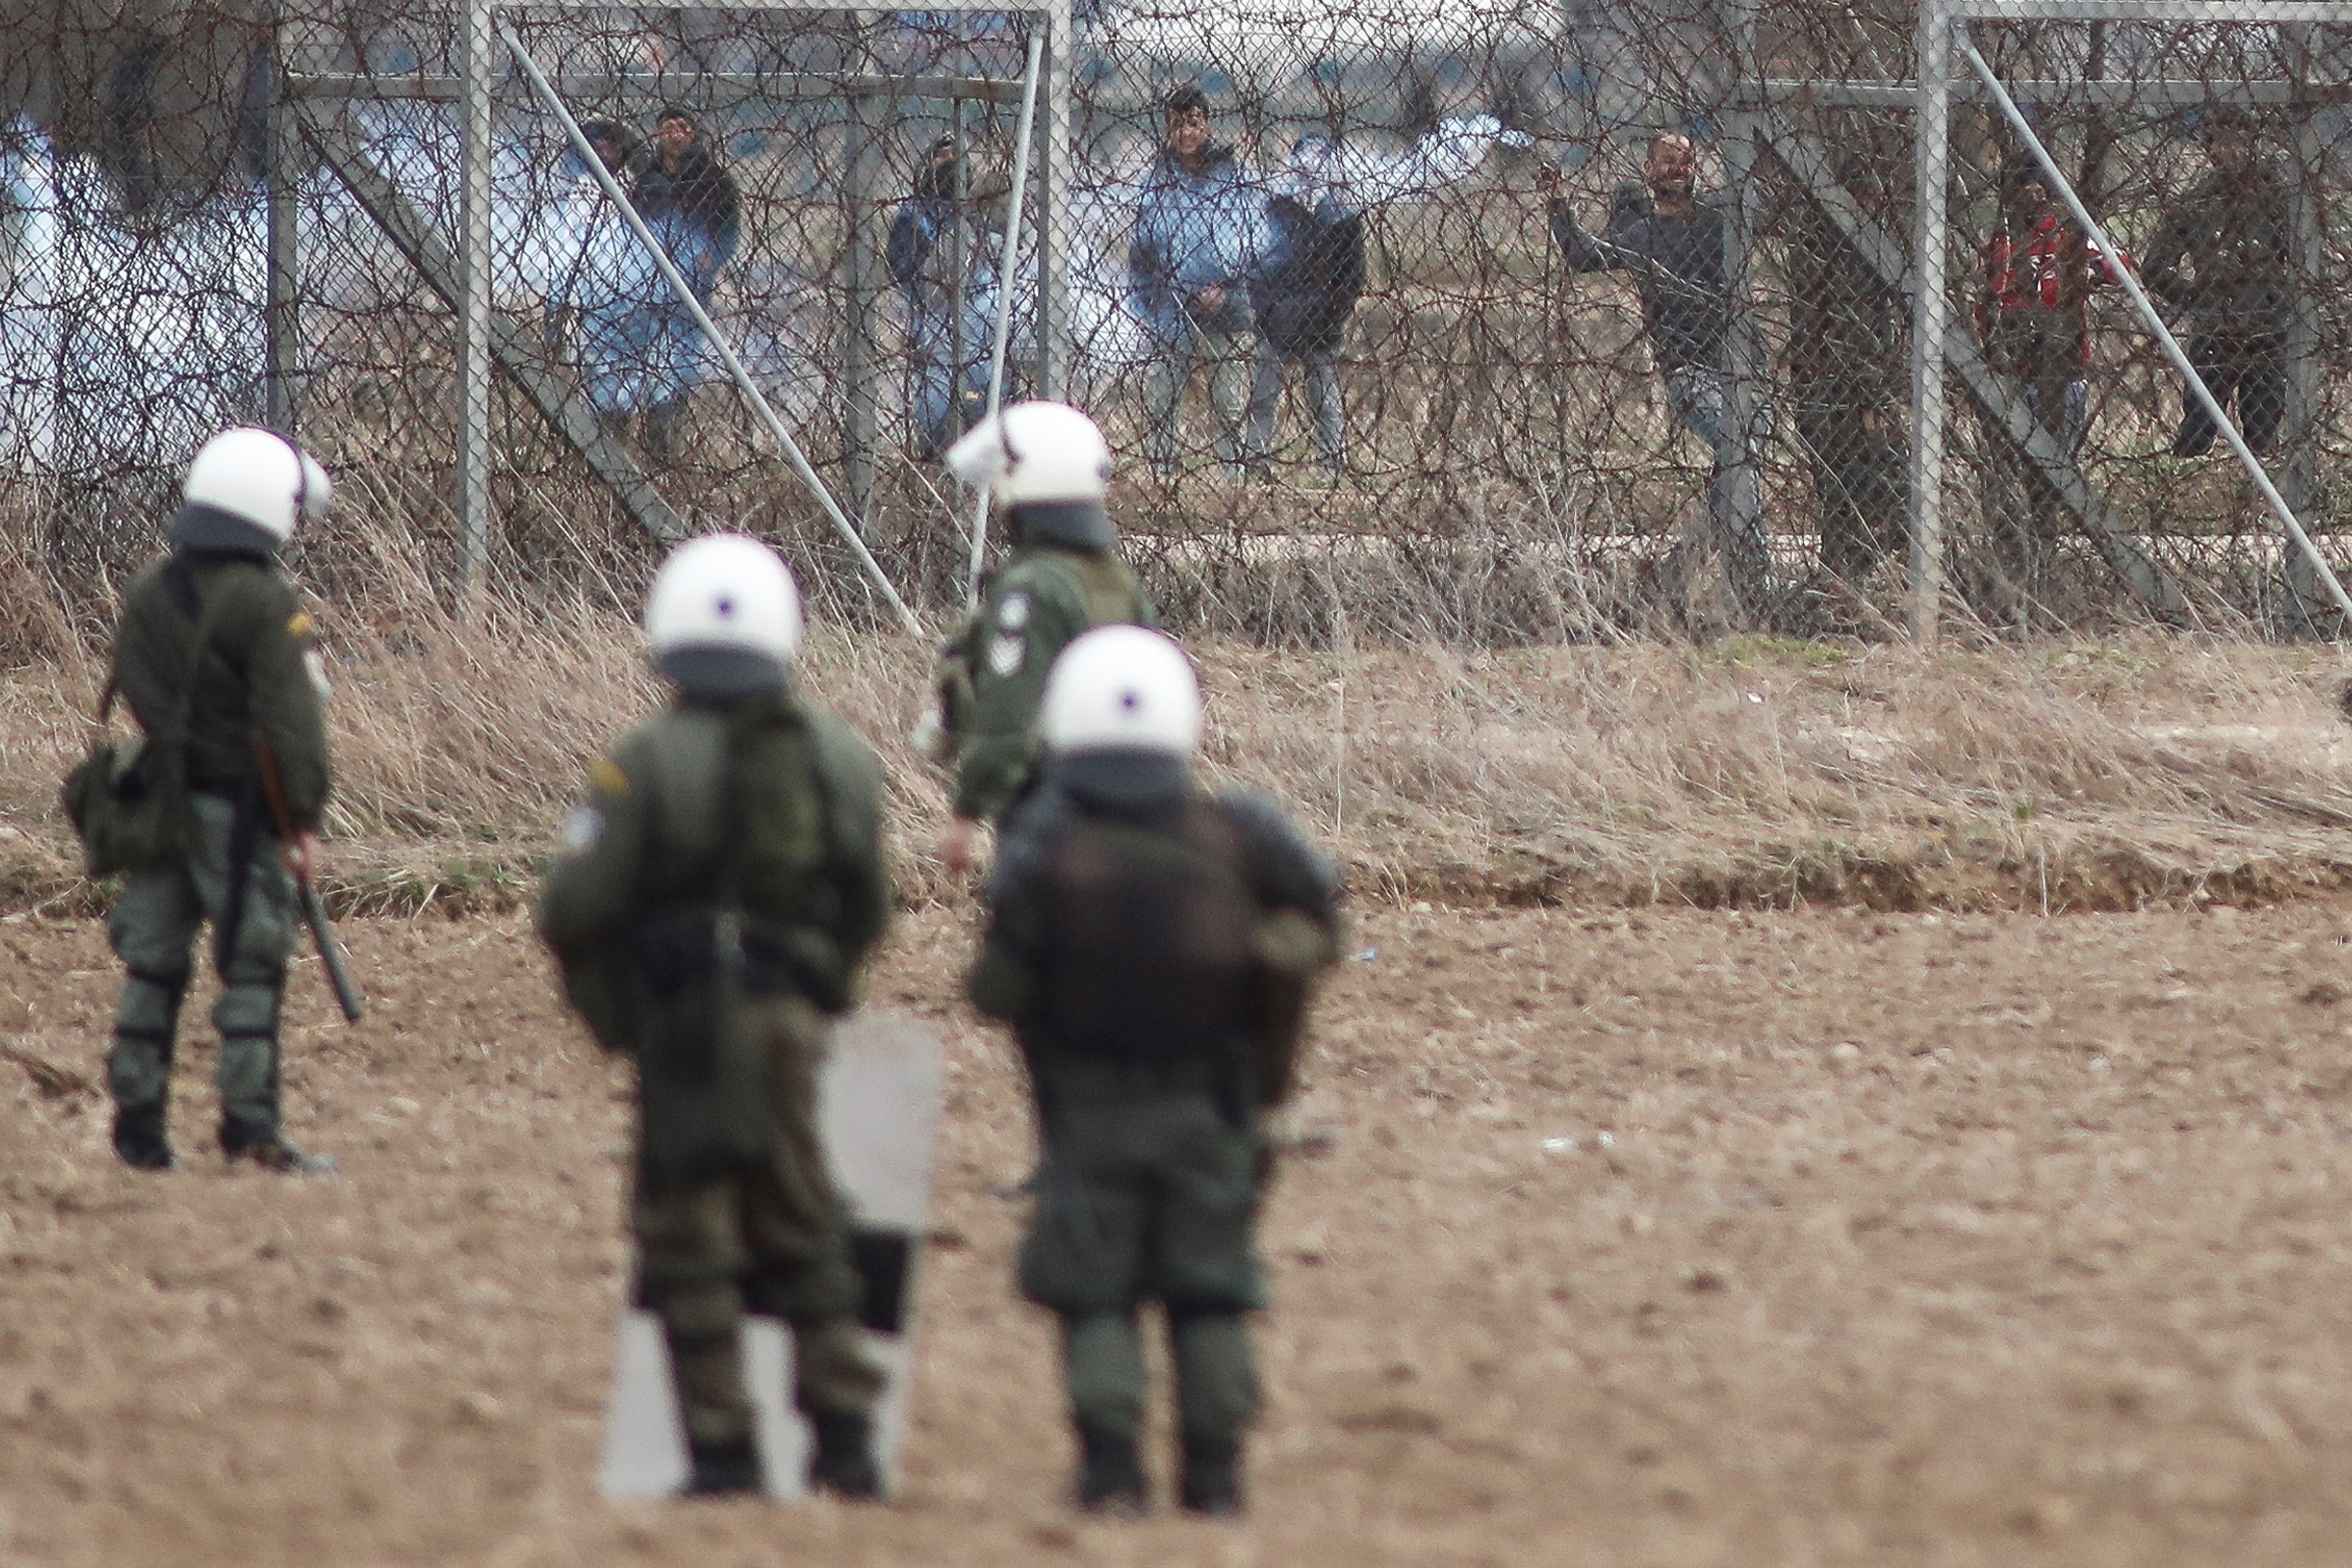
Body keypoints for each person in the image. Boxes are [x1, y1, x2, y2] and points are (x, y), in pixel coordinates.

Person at [538, 534, 891, 1499]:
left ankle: (725, 1451)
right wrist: (820, 991)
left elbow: (574, 909)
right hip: (789, 1017)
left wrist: (621, 1019)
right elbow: (868, 898)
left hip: (689, 1023)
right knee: (805, 1212)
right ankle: (848, 1437)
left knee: (688, 1228)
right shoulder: (838, 755)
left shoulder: (644, 761)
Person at [968, 624, 1342, 1516]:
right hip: (1212, 1107)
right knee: (1209, 1291)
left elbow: (994, 989)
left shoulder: (1046, 850)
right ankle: (1214, 1479)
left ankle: (1110, 1475)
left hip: (1088, 1110)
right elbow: (1320, 920)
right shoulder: (1239, 833)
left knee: (1095, 1293)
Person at [99, 426, 336, 1175]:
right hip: (239, 812)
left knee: (154, 961)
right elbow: (292, 723)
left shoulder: (149, 588)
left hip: (163, 800)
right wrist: (302, 816)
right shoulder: (266, 601)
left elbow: (132, 685)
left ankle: (138, 1124)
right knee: (254, 963)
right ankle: (249, 1122)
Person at [923, 400, 1157, 874]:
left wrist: (967, 811)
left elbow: (1009, 712)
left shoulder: (1031, 590)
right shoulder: (1114, 581)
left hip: (1050, 805)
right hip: (1127, 795)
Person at [1543, 133, 1770, 617]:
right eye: (1667, 161)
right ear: (1649, 169)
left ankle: (1673, 576)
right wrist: (1558, 205)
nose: (1677, 169)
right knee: (1740, 453)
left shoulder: (1718, 221)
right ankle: (1759, 579)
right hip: (1689, 369)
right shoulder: (1641, 234)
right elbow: (1584, 256)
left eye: (1685, 160)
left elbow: (1764, 206)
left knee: (1736, 469)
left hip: (1745, 365)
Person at [1975, 155, 2127, 604]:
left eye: (2039, 186)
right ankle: (2010, 571)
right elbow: (1987, 306)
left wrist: (2089, 267)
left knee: (2055, 474)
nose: (2031, 195)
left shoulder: (2067, 239)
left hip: (2063, 373)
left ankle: (2045, 565)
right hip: (2014, 376)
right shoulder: (2000, 244)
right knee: (2011, 476)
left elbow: (2119, 268)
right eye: (2021, 186)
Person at [1127, 85, 1266, 477]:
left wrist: (1225, 287)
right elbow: (1144, 247)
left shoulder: (1233, 178)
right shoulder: (1157, 181)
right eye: (1177, 125)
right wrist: (1152, 300)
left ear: (1207, 126)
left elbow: (1252, 237)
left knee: (1231, 402)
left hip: (1227, 305)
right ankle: (1162, 476)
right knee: (1161, 397)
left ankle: (1232, 481)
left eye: (1193, 123)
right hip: (1171, 308)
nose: (1186, 133)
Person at [1783, 157, 1906, 597]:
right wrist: (1874, 399)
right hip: (1841, 391)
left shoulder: (1820, 245)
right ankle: (1846, 578)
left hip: (1825, 386)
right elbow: (1852, 333)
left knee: (1848, 487)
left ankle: (1845, 576)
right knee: (1865, 484)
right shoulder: (1845, 252)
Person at [2143, 108, 2293, 458]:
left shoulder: (2278, 198)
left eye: (2240, 141)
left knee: (2264, 435)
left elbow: (2304, 261)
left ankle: (2257, 502)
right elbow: (2155, 266)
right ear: (2211, 147)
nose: (2231, 151)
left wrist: (2278, 296)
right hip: (2214, 331)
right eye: (2222, 142)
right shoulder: (2199, 200)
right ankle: (2188, 491)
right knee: (2197, 430)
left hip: (2265, 332)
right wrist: (2198, 297)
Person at [1244, 135, 1366, 473]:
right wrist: (1267, 314)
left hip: (1321, 324)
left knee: (1325, 400)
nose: (1310, 170)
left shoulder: (1343, 218)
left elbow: (1352, 279)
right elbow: (1258, 269)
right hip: (1278, 322)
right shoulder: (1276, 212)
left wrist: (1329, 317)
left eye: (1318, 160)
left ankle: (1332, 464)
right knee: (1263, 398)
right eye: (1303, 161)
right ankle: (1256, 463)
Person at [631, 107, 743, 460]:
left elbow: (727, 230)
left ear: (693, 135)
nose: (674, 135)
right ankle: (643, 438)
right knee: (642, 361)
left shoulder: (713, 181)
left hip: (692, 288)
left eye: (682, 128)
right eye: (667, 128)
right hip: (647, 285)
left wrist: (708, 259)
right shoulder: (648, 181)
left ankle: (666, 440)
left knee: (677, 363)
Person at [886, 132, 1003, 460]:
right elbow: (910, 278)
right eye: (942, 158)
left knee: (985, 426)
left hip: (983, 338)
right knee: (939, 433)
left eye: (956, 158)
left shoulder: (978, 213)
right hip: (935, 336)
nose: (950, 166)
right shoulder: (914, 218)